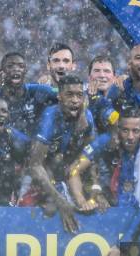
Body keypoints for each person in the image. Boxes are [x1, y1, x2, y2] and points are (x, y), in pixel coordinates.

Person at [68, 108, 140, 210]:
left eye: (135, 131)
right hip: (110, 207)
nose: (130, 137)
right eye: (125, 130)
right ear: (118, 129)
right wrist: (83, 202)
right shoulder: (104, 141)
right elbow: (73, 170)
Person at [30, 75, 95, 232]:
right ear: (59, 96)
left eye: (79, 95)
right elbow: (34, 165)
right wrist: (61, 202)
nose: (74, 100)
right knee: (50, 209)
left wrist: (96, 189)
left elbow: (92, 154)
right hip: (45, 175)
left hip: (70, 172)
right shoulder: (49, 117)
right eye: (69, 94)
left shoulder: (87, 117)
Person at [0, 52, 57, 136]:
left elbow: (61, 92)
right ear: (2, 72)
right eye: (10, 66)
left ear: (25, 71)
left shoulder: (38, 90)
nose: (16, 69)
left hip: (36, 145)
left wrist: (56, 86)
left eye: (21, 66)